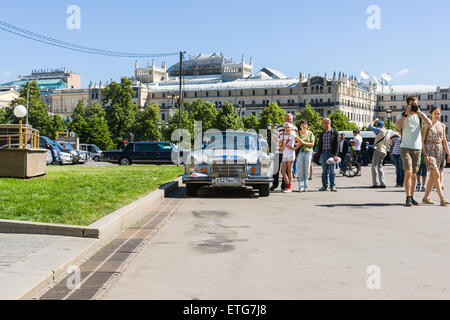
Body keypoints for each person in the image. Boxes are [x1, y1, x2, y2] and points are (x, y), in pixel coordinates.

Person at [396, 95, 433, 207]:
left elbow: (430, 123)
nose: (414, 106)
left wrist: (420, 112)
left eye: (415, 104)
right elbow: (398, 127)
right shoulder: (402, 115)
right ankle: (408, 197)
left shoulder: (419, 116)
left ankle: (411, 197)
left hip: (417, 148)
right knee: (408, 171)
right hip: (405, 147)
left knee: (413, 174)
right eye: (412, 104)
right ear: (407, 104)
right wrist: (406, 114)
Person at [421, 106, 450, 206]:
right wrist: (425, 154)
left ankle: (425, 198)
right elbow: (422, 140)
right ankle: (442, 199)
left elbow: (444, 141)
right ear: (431, 114)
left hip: (439, 151)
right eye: (435, 113)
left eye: (438, 113)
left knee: (433, 177)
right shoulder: (427, 125)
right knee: (436, 174)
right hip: (429, 151)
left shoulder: (442, 125)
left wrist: (448, 153)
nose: (437, 115)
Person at [271, 114, 298, 191]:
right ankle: (275, 184)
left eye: (290, 119)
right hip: (278, 151)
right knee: (276, 169)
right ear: (284, 119)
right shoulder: (279, 127)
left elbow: (295, 140)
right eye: (287, 119)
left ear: (292, 120)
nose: (288, 120)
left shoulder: (294, 128)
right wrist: (280, 145)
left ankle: (284, 185)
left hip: (288, 151)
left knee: (286, 170)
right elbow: (273, 137)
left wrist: (293, 147)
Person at [368, 119, 395, 188]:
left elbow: (370, 126)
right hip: (384, 151)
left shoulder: (379, 131)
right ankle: (382, 183)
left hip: (378, 149)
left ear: (378, 126)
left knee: (374, 166)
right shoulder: (388, 132)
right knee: (380, 166)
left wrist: (374, 120)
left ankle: (375, 184)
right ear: (384, 125)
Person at [317, 118, 339, 192]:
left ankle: (333, 186)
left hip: (331, 154)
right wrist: (319, 154)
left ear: (328, 123)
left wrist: (335, 155)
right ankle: (325, 186)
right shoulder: (322, 133)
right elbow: (320, 144)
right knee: (324, 171)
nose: (322, 124)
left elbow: (337, 144)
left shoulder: (335, 132)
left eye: (323, 123)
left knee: (332, 171)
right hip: (324, 153)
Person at [279, 123, 300, 193]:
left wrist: (294, 148)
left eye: (288, 127)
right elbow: (280, 144)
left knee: (289, 171)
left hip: (291, 154)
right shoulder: (282, 135)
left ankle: (289, 187)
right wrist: (281, 148)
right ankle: (288, 185)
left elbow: (301, 142)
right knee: (282, 171)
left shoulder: (293, 134)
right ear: (284, 128)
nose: (287, 128)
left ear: (290, 128)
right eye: (286, 127)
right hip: (285, 154)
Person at [295, 120, 315, 192]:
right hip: (300, 152)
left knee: (306, 170)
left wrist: (303, 142)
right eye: (303, 124)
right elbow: (295, 143)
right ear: (300, 126)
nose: (304, 125)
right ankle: (301, 186)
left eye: (305, 124)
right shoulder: (297, 133)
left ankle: (305, 186)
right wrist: (300, 144)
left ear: (307, 126)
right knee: (300, 170)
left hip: (308, 152)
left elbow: (312, 144)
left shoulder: (310, 133)